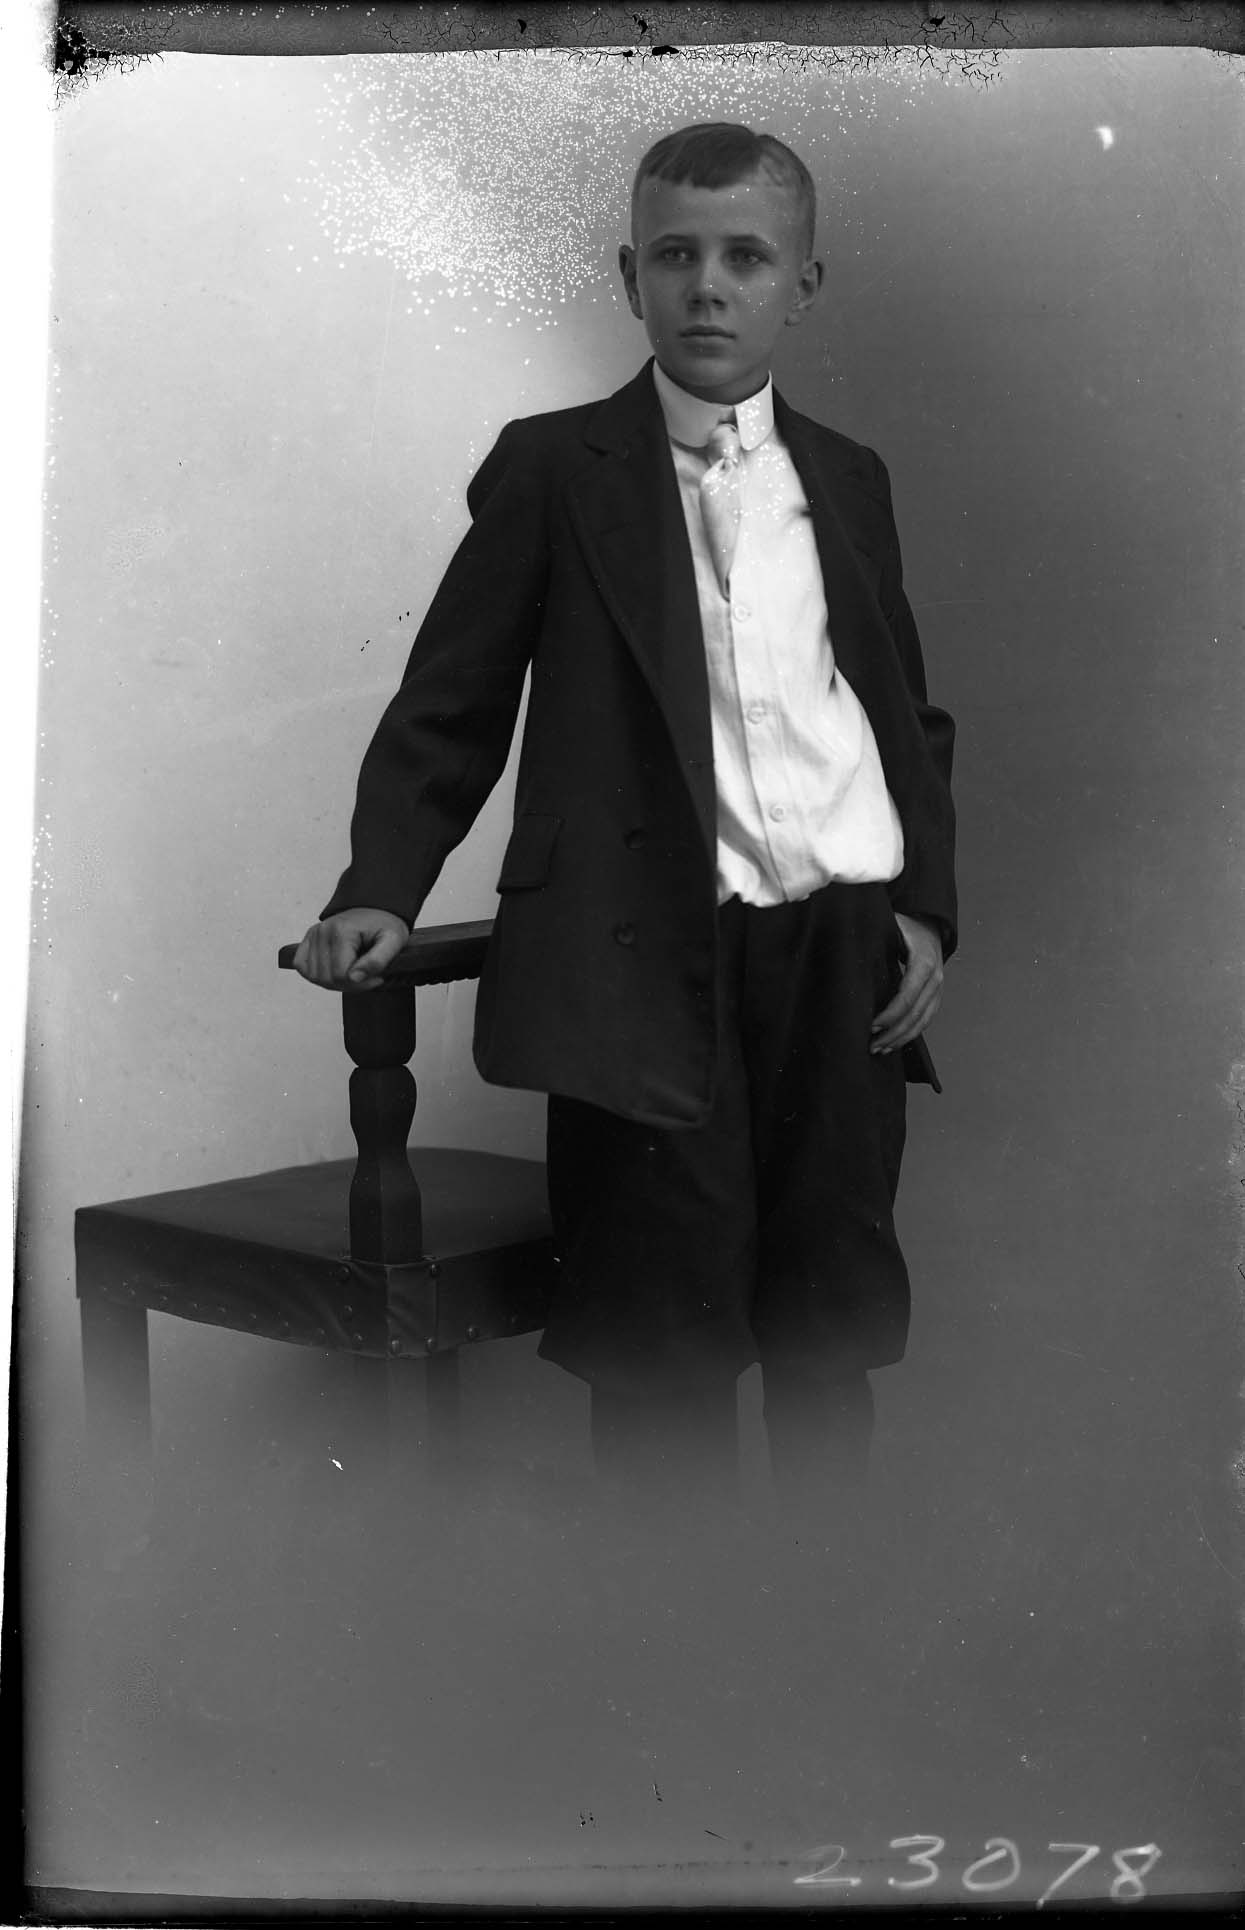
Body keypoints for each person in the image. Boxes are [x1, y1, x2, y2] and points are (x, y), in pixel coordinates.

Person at [294, 122, 956, 1520]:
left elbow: (902, 715)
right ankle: (669, 1619)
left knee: (828, 1311)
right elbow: (452, 702)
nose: (707, 286)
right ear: (628, 275)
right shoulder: (557, 468)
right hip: (642, 958)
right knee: (663, 1330)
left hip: (835, 953)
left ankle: (836, 1613)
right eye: (674, 256)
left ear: (803, 285)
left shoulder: (847, 476)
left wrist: (922, 908)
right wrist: (379, 884)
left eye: (745, 258)